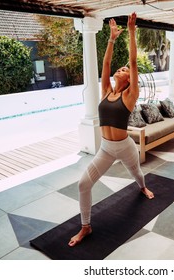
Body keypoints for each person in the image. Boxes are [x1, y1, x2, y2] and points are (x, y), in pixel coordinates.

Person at [68, 12, 154, 247]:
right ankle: (86, 226)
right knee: (83, 184)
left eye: (124, 69)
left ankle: (143, 187)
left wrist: (133, 32)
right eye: (121, 68)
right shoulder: (107, 89)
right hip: (106, 149)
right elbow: (105, 64)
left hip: (125, 146)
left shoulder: (130, 95)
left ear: (129, 79)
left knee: (136, 173)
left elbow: (134, 62)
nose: (121, 68)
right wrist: (112, 38)